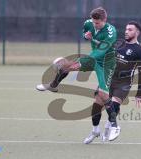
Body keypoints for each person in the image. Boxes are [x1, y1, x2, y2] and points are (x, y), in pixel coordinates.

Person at [35, 7, 117, 144]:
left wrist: (83, 61)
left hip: (107, 64)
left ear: (105, 20)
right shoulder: (88, 23)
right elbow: (84, 33)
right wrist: (86, 37)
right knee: (66, 66)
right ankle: (53, 85)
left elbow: (101, 51)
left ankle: (114, 124)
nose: (95, 25)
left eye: (98, 23)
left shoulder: (111, 32)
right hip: (94, 59)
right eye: (94, 22)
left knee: (103, 95)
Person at [95, 21, 141, 142]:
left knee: (113, 104)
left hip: (123, 83)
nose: (126, 31)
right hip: (109, 79)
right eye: (126, 29)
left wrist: (139, 93)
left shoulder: (139, 51)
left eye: (130, 30)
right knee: (100, 104)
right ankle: (108, 126)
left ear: (137, 32)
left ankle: (114, 126)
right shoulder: (118, 43)